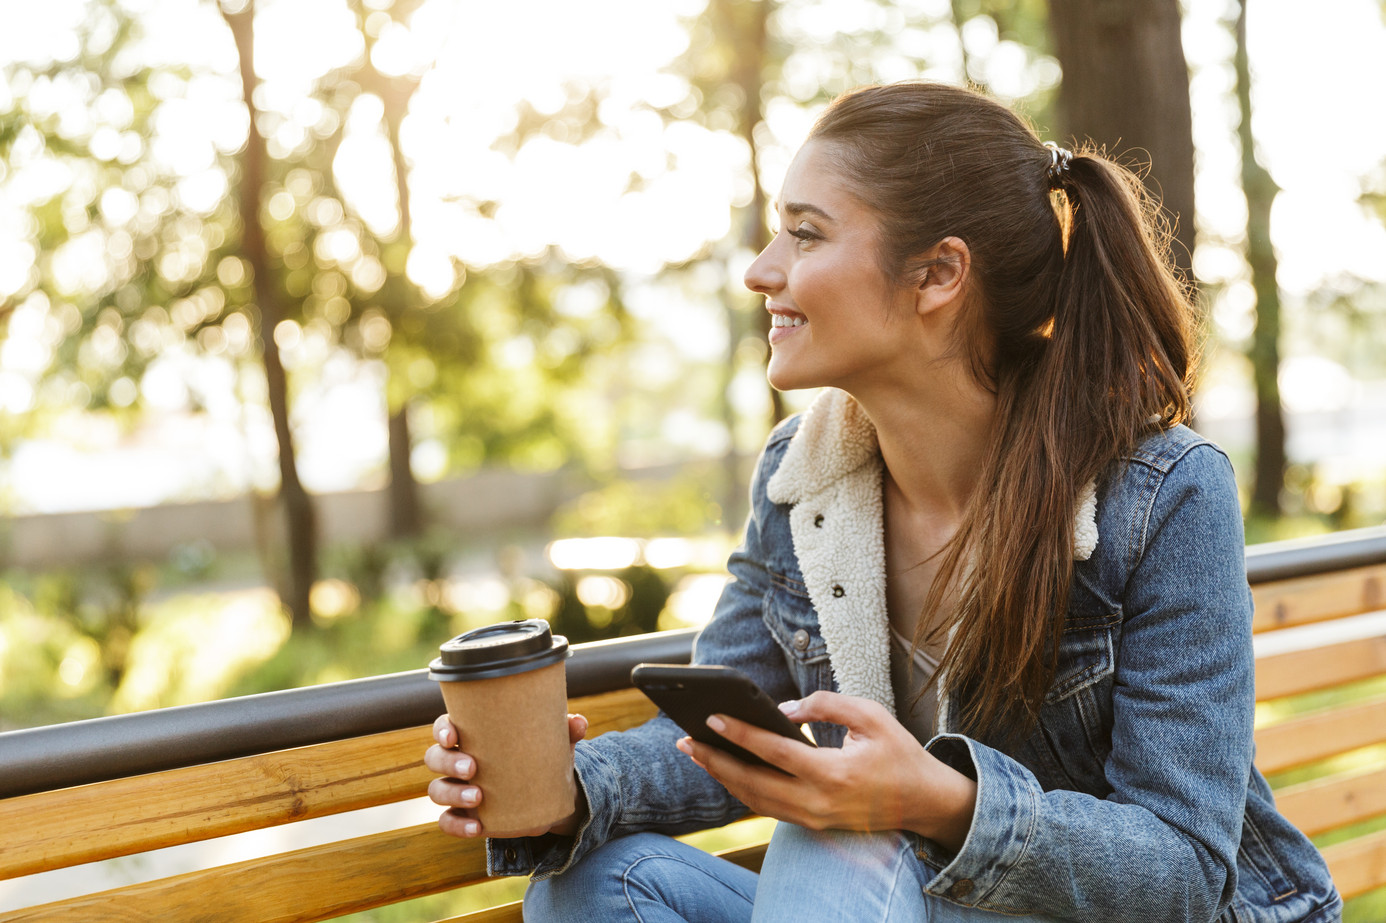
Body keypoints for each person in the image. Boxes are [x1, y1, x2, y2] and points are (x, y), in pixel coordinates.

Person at [423, 82, 1342, 923]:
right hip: (893, 904)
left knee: (844, 836)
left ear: (939, 275)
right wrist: (564, 784)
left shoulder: (1162, 493)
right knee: (590, 888)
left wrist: (933, 799)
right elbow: (733, 734)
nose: (761, 270)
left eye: (807, 234)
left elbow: (1182, 869)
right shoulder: (802, 474)